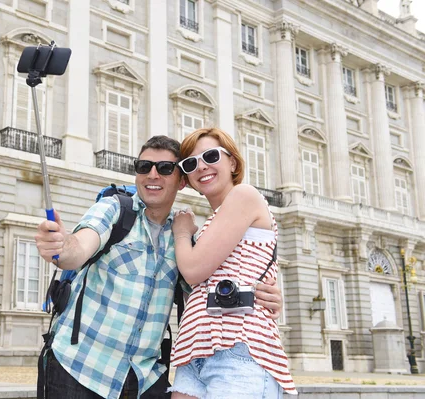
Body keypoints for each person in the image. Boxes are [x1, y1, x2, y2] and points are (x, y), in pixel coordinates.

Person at [35, 135, 283, 399]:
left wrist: (261, 294)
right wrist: (62, 247)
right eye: (144, 167)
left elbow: (206, 291)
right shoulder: (114, 209)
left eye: (165, 168)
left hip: (144, 379)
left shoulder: (185, 237)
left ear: (182, 181)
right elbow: (80, 247)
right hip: (80, 369)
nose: (153, 174)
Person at [169, 128, 297, 398]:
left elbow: (192, 271)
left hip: (239, 348)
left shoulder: (244, 195)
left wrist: (181, 232)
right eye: (190, 163)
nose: (201, 166)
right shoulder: (212, 222)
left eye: (211, 156)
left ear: (233, 162)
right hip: (195, 350)